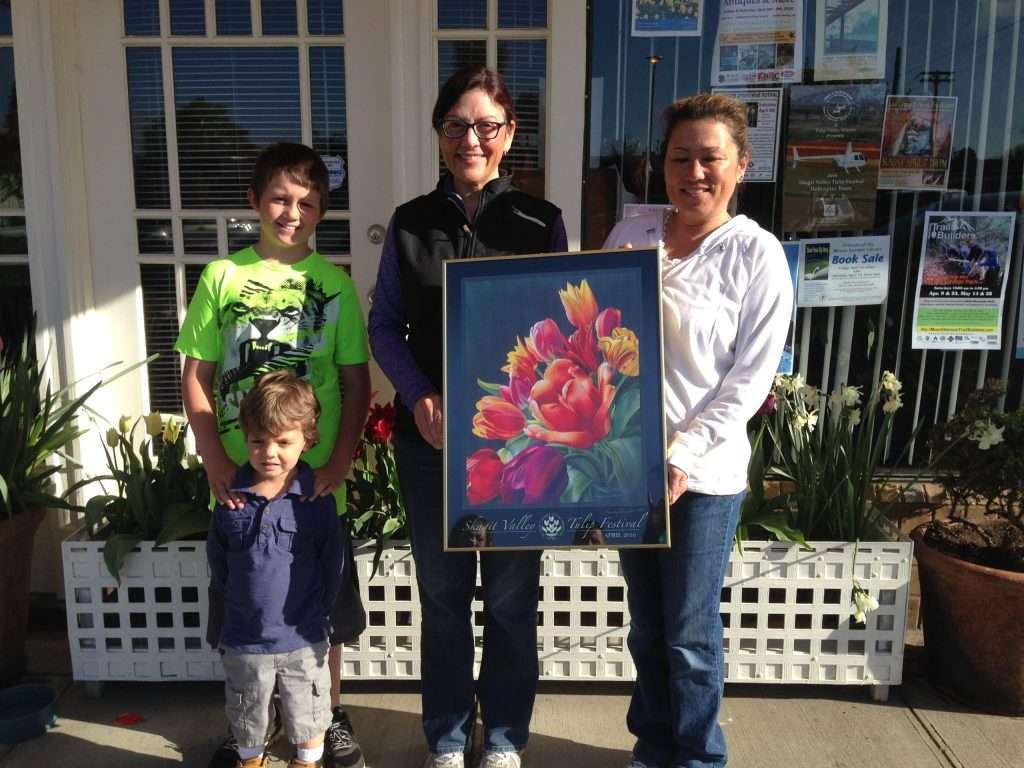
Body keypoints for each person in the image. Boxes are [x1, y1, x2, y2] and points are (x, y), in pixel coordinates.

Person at [367, 65, 567, 768]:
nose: (470, 139)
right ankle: (449, 738)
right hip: (432, 442)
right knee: (444, 597)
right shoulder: (410, 223)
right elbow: (385, 325)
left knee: (513, 598)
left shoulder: (541, 222)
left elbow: (561, 333)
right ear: (440, 135)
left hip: (519, 448)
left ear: (510, 134)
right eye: (456, 126)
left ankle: (506, 737)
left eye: (485, 125)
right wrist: (419, 394)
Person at [603, 93, 793, 768]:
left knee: (688, 633)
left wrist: (681, 455)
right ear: (662, 165)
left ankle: (698, 756)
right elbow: (592, 339)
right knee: (648, 627)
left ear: (740, 165)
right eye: (680, 157)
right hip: (630, 468)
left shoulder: (757, 255)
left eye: (710, 158)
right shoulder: (631, 236)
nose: (694, 172)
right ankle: (654, 746)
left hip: (703, 478)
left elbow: (748, 381)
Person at [176, 142, 371, 768]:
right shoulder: (222, 278)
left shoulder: (334, 285)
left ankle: (327, 715)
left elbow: (356, 384)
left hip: (313, 491)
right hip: (239, 488)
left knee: (323, 613)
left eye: (307, 203)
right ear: (255, 202)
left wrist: (338, 463)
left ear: (322, 211)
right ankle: (249, 729)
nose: (293, 212)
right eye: (281, 199)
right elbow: (196, 374)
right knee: (246, 608)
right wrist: (212, 456)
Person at [208, 371, 343, 768]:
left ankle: (307, 762)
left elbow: (331, 565)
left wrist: (318, 615)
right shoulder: (231, 500)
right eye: (258, 440)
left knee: (310, 711)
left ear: (307, 439)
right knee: (248, 713)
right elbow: (219, 563)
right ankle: (253, 762)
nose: (270, 452)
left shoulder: (315, 501)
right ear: (246, 437)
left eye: (284, 442)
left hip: (303, 638)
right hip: (245, 639)